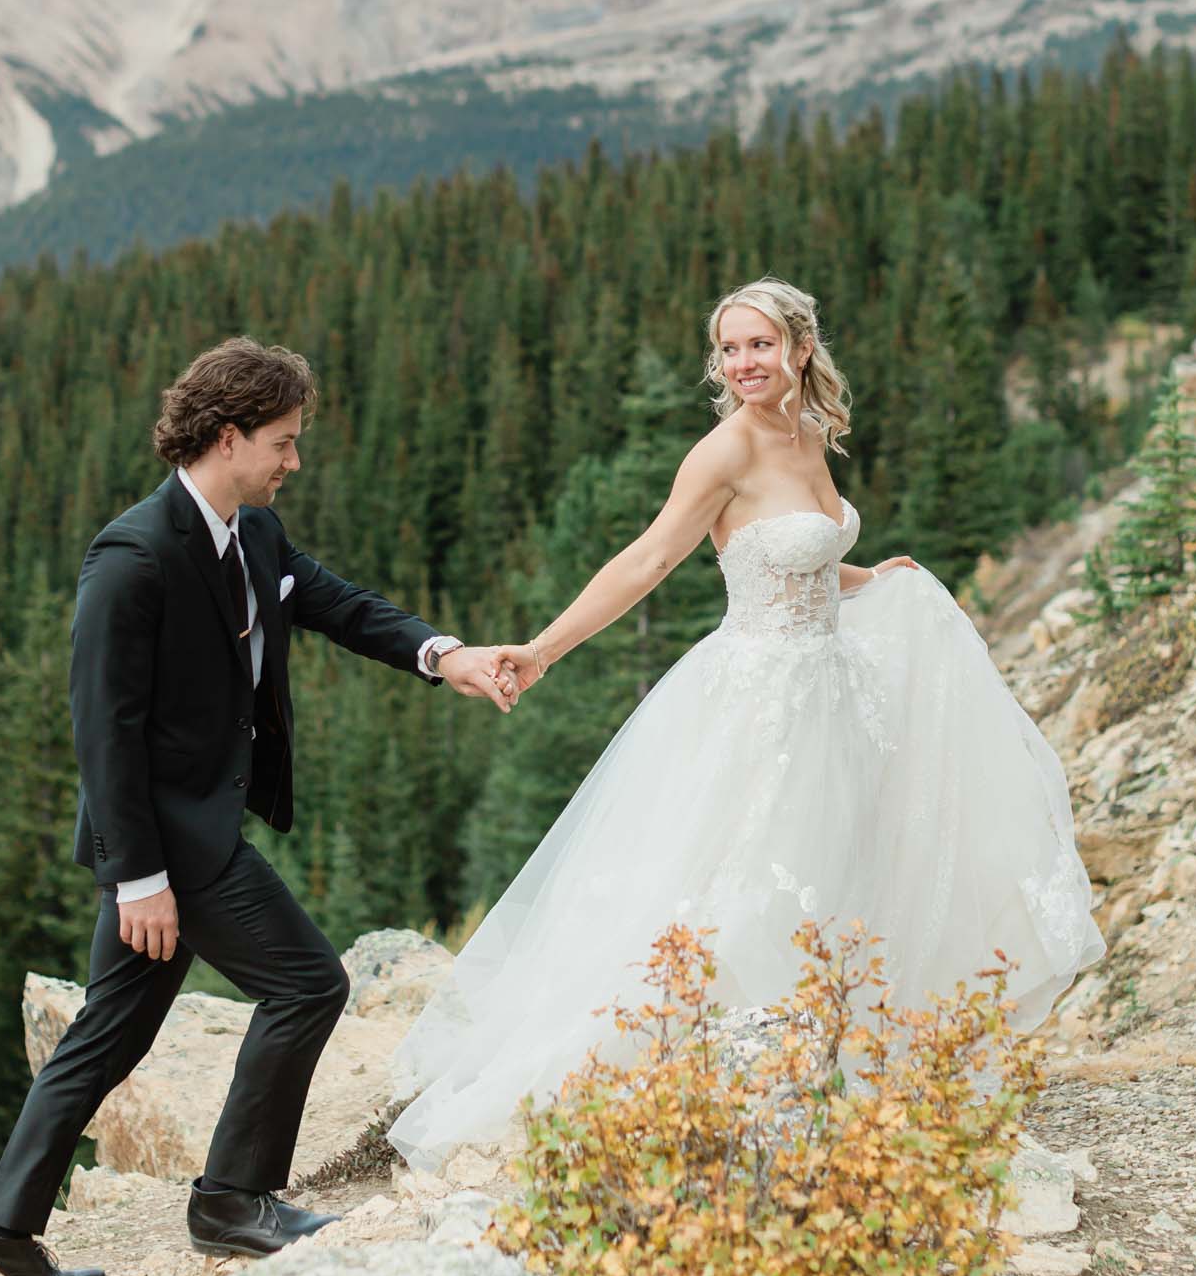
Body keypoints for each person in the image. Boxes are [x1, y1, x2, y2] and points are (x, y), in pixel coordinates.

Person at [388, 277, 1104, 1168]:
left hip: (830, 691)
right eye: (729, 349)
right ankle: (710, 1084)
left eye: (758, 345)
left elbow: (795, 558)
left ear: (799, 348)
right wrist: (542, 649)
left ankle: (819, 1069)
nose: (742, 364)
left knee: (836, 870)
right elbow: (651, 558)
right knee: (742, 882)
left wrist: (871, 577)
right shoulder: (723, 449)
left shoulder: (805, 435)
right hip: (758, 699)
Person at [0, 337, 519, 1276]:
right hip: (170, 844)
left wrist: (442, 652)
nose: (293, 461)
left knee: (105, 1034)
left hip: (193, 831)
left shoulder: (250, 534)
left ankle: (2, 1232)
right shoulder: (132, 555)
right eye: (283, 442)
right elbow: (104, 730)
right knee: (307, 983)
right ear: (227, 437)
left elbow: (335, 602)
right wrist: (138, 878)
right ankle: (231, 1199)